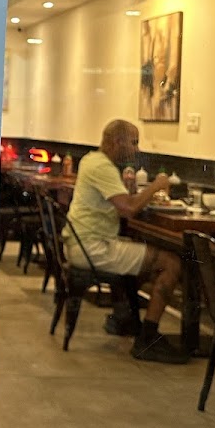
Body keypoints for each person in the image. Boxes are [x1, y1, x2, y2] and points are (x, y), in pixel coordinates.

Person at [64, 119, 186, 363]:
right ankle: (147, 339)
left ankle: (126, 318)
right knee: (171, 263)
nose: (137, 149)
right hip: (93, 247)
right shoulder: (103, 167)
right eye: (134, 142)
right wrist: (156, 186)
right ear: (118, 141)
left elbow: (121, 204)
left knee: (145, 258)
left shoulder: (91, 159)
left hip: (82, 242)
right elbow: (129, 209)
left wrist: (131, 191)